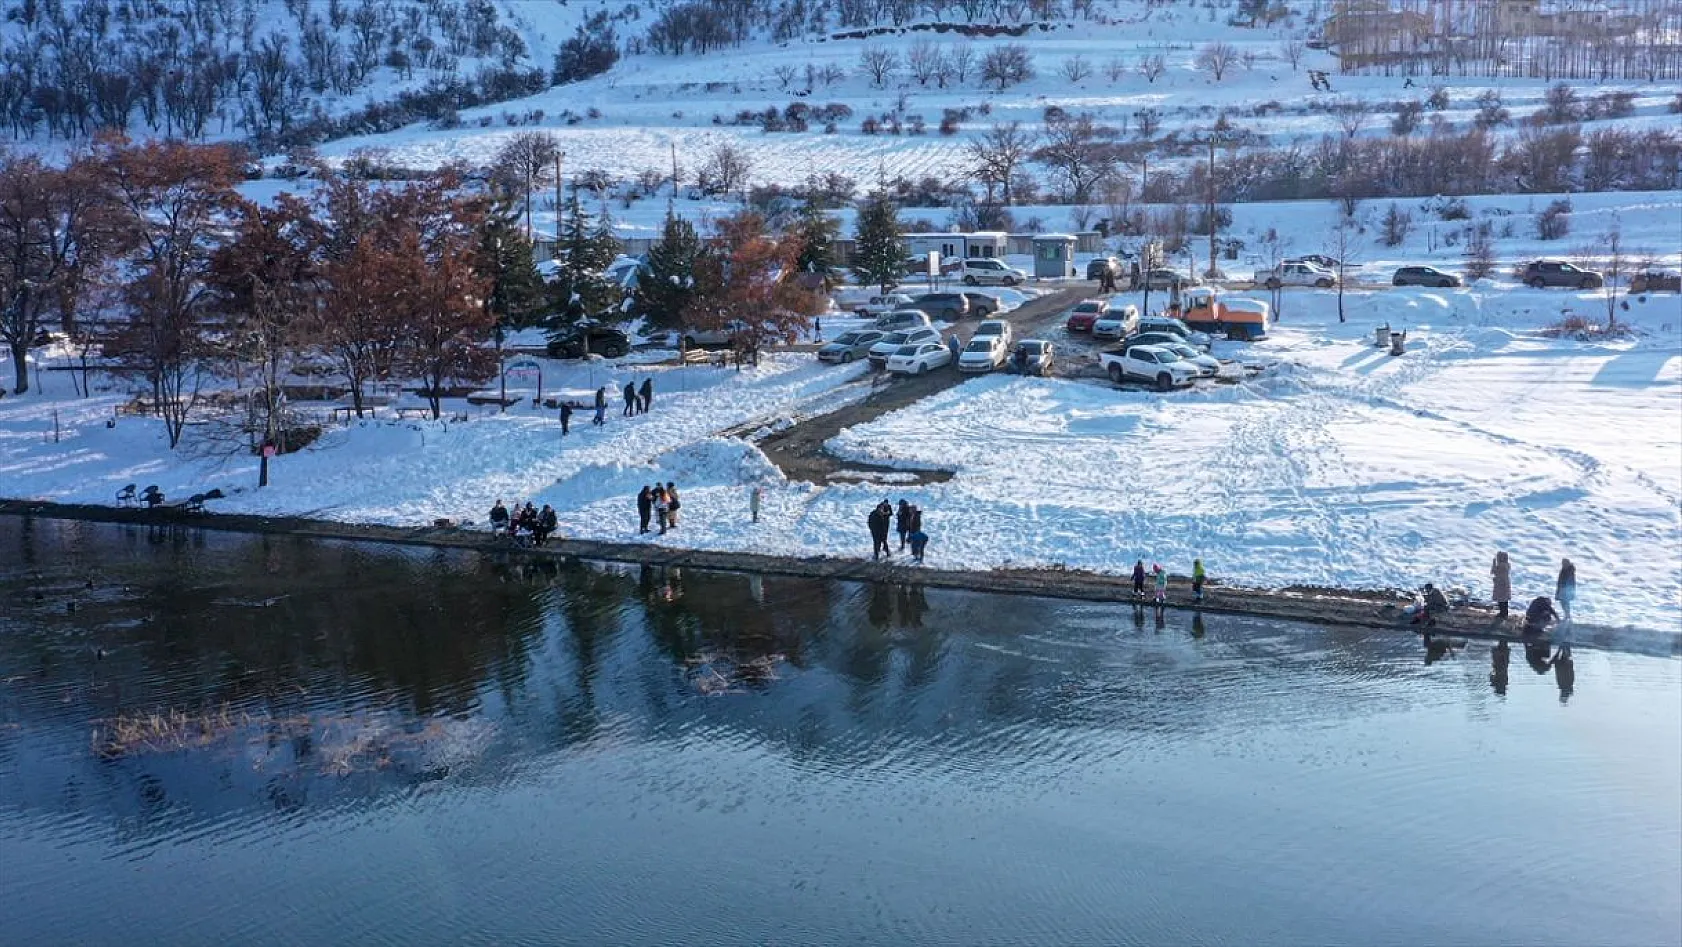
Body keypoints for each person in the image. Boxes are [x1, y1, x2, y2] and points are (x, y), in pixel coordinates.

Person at [1491, 551, 1512, 618]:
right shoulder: (1507, 565)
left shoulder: (1501, 566)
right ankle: (1505, 613)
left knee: (1500, 600)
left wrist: (1493, 563)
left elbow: (1493, 571)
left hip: (1500, 585)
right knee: (1505, 600)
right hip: (1505, 584)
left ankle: (1502, 614)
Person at [1555, 558, 1576, 622]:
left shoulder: (1569, 570)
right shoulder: (1564, 570)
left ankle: (1567, 615)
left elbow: (1569, 580)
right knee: (1563, 602)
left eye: (1564, 563)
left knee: (1565, 602)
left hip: (1566, 589)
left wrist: (1564, 588)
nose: (1563, 564)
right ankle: (1567, 615)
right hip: (1563, 588)